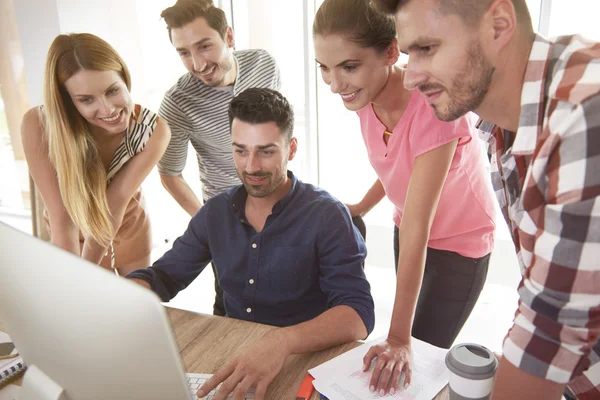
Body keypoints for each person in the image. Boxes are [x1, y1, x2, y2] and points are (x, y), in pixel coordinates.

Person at [373, 0, 600, 399]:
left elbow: (550, 332)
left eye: (427, 48)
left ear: (498, 24)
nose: (410, 78)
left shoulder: (583, 112)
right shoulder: (504, 122)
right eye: (410, 54)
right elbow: (547, 300)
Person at [127, 88, 374, 399]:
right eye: (240, 150)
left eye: (266, 151)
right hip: (230, 353)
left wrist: (281, 342)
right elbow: (161, 277)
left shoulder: (326, 215)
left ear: (291, 148)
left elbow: (358, 313)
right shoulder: (215, 212)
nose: (252, 166)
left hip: (302, 361)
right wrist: (124, 299)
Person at [313, 0, 497, 395]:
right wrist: (363, 205)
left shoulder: (433, 106)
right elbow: (397, 164)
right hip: (408, 228)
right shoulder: (364, 96)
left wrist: (397, 337)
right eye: (324, 68)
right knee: (404, 349)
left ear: (392, 53)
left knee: (421, 354)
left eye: (348, 66)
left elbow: (419, 224)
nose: (334, 84)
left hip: (460, 246)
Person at [157, 0, 281, 316]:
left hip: (280, 206)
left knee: (286, 300)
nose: (197, 63)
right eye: (184, 53)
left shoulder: (264, 64)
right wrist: (211, 222)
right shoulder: (178, 102)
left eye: (205, 46)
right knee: (231, 308)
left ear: (228, 35)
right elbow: (170, 173)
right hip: (230, 215)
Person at [21, 33, 170, 276]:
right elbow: (62, 219)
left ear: (124, 77)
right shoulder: (38, 126)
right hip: (70, 236)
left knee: (133, 307)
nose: (108, 109)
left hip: (128, 226)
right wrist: (80, 280)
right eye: (87, 99)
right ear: (69, 102)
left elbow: (116, 203)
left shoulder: (153, 131)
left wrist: (84, 276)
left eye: (112, 91)